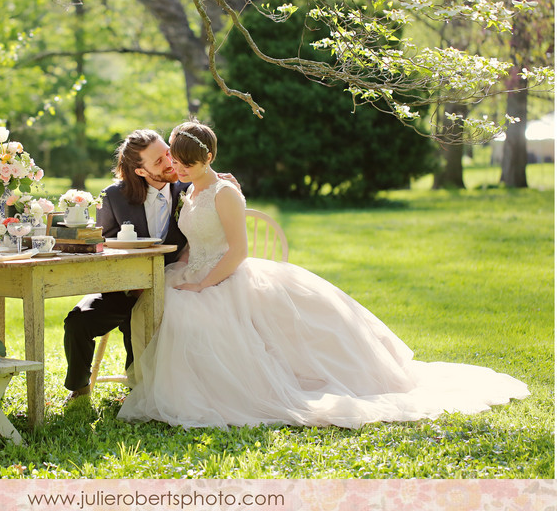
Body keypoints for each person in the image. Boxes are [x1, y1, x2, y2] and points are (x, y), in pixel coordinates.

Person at [118, 120, 530, 428]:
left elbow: (238, 252)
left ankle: (231, 390)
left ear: (208, 157)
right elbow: (194, 238)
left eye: (188, 163)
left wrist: (202, 283)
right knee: (166, 302)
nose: (180, 169)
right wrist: (185, 270)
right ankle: (186, 385)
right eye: (177, 162)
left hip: (227, 276)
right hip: (196, 270)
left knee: (193, 311)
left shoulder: (226, 192)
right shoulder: (188, 190)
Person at [62, 128, 238, 402]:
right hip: (123, 288)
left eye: (168, 154)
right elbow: (97, 244)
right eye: (159, 161)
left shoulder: (188, 187)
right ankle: (79, 388)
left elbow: (211, 181)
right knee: (77, 322)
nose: (170, 162)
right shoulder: (114, 197)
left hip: (170, 286)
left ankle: (143, 390)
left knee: (141, 322)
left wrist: (230, 182)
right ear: (141, 171)